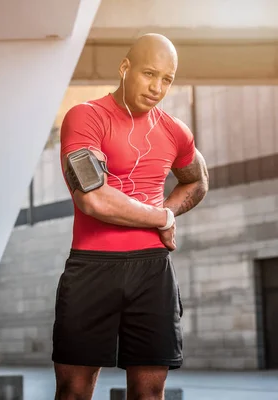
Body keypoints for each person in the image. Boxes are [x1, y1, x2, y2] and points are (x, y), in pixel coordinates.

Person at [52, 33, 209, 400]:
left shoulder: (175, 131)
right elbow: (93, 198)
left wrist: (167, 214)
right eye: (149, 74)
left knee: (149, 393)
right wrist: (161, 219)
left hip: (152, 270)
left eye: (166, 79)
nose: (157, 87)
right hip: (92, 266)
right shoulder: (85, 117)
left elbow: (198, 180)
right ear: (125, 68)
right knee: (73, 390)